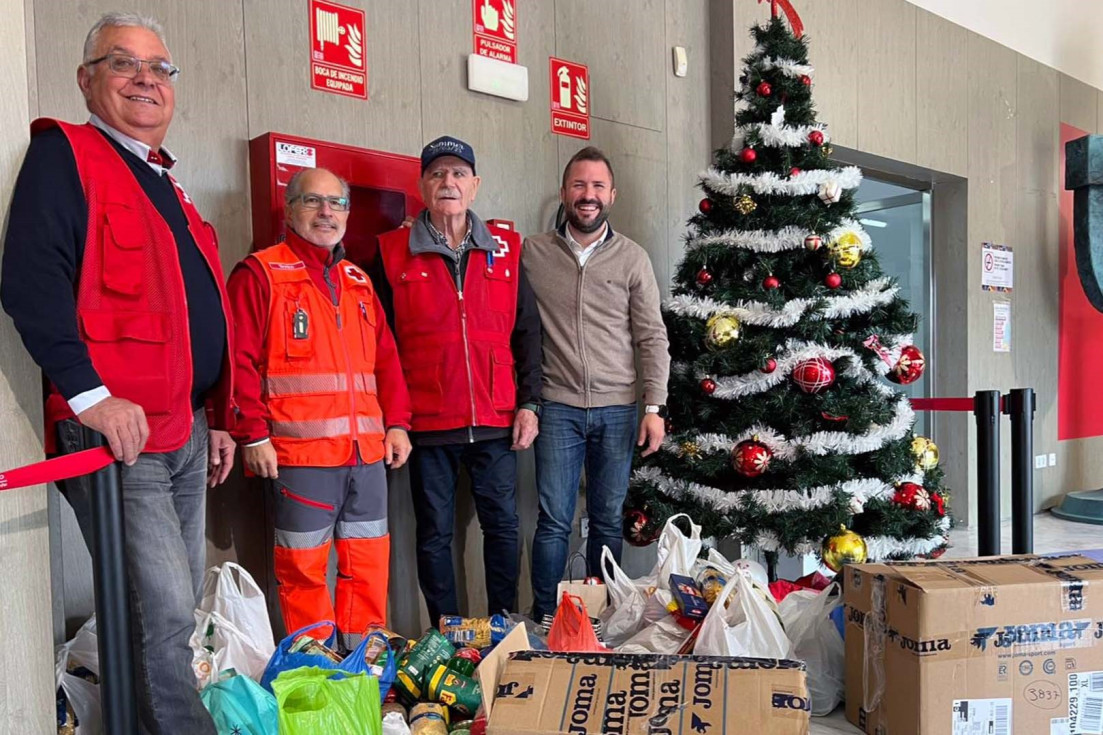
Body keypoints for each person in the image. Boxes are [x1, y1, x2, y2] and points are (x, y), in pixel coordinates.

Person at [1, 12, 235, 733]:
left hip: (185, 427)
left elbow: (188, 311)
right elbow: (30, 280)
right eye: (123, 63)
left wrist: (216, 414)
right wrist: (91, 396)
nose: (145, 79)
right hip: (121, 435)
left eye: (159, 68)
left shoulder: (166, 183)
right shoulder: (66, 155)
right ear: (86, 79)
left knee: (173, 608)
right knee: (159, 612)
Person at [228, 167, 412, 651]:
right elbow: (237, 362)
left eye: (337, 203)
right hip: (300, 457)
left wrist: (397, 424)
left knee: (368, 566)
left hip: (367, 456)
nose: (326, 212)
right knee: (304, 571)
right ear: (289, 211)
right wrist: (253, 434)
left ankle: (365, 664)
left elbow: (386, 362)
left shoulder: (358, 281)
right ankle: (319, 671)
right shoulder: (260, 273)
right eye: (312, 201)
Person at [372, 136, 542, 623]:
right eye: (437, 174)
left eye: (458, 174)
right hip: (426, 422)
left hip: (496, 418)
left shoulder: (506, 250)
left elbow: (528, 332)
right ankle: (445, 633)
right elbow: (381, 345)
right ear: (422, 186)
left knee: (503, 527)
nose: (448, 182)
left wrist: (530, 403)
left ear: (475, 185)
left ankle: (503, 624)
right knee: (434, 534)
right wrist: (395, 419)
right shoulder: (390, 252)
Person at [523, 146, 670, 621]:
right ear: (564, 192)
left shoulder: (633, 258)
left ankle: (602, 619)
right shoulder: (532, 253)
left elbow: (652, 336)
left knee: (607, 520)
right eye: (579, 185)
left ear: (612, 195)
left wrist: (654, 407)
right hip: (557, 407)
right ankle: (547, 617)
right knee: (554, 522)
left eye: (598, 186)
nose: (588, 195)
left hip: (618, 410)